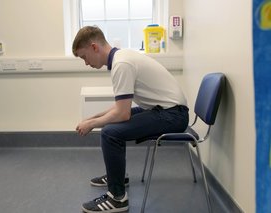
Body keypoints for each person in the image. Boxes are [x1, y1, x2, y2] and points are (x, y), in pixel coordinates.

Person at [73, 26, 189, 213]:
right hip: (167, 110)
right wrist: (95, 117)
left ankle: (117, 198)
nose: (86, 63)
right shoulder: (122, 57)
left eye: (84, 57)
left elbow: (122, 114)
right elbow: (121, 107)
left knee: (110, 133)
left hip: (173, 115)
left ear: (94, 47)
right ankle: (116, 177)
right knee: (111, 124)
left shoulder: (122, 64)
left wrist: (91, 125)